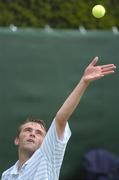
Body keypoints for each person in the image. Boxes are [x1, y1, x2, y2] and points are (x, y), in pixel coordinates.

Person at [1, 56, 116, 180]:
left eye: (38, 133)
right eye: (28, 130)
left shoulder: (47, 155)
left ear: (45, 143)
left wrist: (84, 81)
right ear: (17, 140)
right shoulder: (6, 175)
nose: (32, 134)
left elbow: (61, 118)